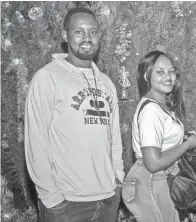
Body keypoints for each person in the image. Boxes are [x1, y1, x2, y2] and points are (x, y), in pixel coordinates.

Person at [25, 7, 124, 222]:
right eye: (78, 32)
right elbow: (36, 143)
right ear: (65, 35)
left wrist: (118, 182)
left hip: (107, 200)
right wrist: (53, 200)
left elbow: (114, 139)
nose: (87, 38)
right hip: (66, 204)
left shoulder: (107, 83)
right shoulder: (48, 78)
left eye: (93, 32)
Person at [122, 51, 196, 222]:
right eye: (160, 72)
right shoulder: (151, 110)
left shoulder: (160, 105)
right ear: (146, 75)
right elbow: (153, 163)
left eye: (171, 71)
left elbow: (162, 144)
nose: (168, 77)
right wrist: (187, 144)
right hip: (150, 181)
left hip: (158, 180)